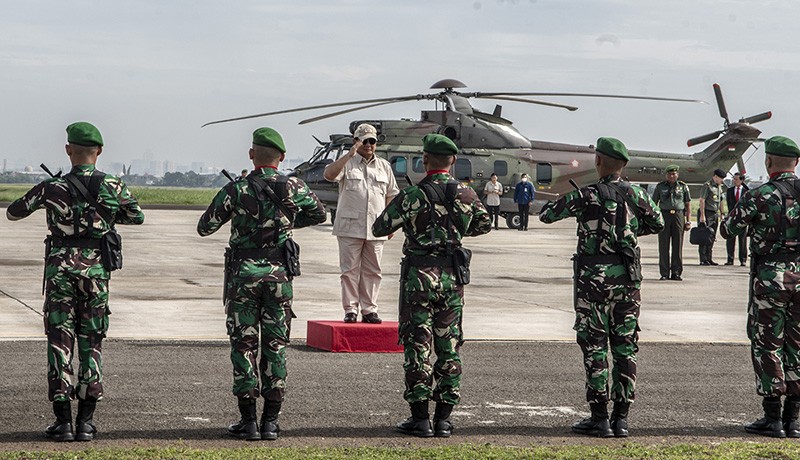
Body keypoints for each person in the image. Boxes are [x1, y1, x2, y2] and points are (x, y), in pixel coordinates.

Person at [6, 122, 144, 442]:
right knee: (91, 342)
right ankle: (86, 422)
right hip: (95, 274)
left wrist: (51, 200)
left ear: (68, 150)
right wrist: (105, 217)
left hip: (60, 272)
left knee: (59, 342)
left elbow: (14, 212)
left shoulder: (52, 186)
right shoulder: (112, 185)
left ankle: (63, 422)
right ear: (99, 152)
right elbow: (136, 216)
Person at [197, 127, 326, 441]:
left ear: (252, 154)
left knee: (244, 345)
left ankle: (248, 421)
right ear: (281, 157)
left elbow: (205, 226)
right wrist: (288, 221)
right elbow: (319, 214)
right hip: (279, 276)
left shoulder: (237, 188)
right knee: (276, 346)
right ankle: (270, 422)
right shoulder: (294, 186)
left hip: (244, 277)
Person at [539, 137, 664, 438]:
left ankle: (599, 418)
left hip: (593, 281)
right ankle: (621, 418)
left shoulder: (587, 195)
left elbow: (547, 215)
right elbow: (658, 223)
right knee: (625, 347)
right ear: (623, 165)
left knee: (595, 347)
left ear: (598, 161)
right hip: (627, 280)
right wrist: (630, 231)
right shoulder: (637, 195)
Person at [372, 133, 491, 438]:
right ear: (452, 161)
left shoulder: (412, 195)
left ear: (425, 160)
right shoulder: (466, 194)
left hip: (418, 279)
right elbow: (483, 224)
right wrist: (454, 232)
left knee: (417, 346)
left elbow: (381, 227)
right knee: (449, 346)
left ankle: (420, 418)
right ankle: (444, 419)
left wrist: (415, 228)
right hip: (452, 279)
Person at [720, 135, 800, 439]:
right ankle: (794, 417)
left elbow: (729, 229)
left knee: (768, 342)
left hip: (771, 277)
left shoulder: (760, 194)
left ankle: (772, 417)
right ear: (797, 162)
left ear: (768, 162)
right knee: (797, 343)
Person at [323, 123, 399, 324]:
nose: (369, 145)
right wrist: (349, 154)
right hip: (350, 227)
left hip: (376, 227)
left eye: (372, 141)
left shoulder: (384, 166)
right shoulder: (347, 163)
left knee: (373, 270)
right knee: (349, 271)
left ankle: (369, 309)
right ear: (356, 142)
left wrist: (389, 223)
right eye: (364, 141)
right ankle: (350, 309)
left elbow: (392, 194)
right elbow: (329, 175)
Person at [652, 165, 692, 280]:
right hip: (664, 215)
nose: (672, 176)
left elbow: (688, 204)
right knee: (663, 245)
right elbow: (654, 203)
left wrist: (688, 221)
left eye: (674, 174)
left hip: (678, 215)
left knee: (677, 245)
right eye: (669, 174)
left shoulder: (683, 187)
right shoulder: (660, 187)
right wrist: (655, 219)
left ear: (677, 175)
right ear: (666, 175)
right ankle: (664, 273)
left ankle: (676, 272)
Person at [697, 169, 727, 265]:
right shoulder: (707, 186)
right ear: (715, 176)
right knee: (704, 236)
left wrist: (722, 213)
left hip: (715, 214)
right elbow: (702, 200)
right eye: (721, 178)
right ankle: (703, 259)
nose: (722, 180)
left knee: (712, 237)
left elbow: (721, 200)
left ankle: (709, 258)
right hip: (707, 213)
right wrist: (702, 216)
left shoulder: (719, 187)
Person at [725, 172, 749, 266]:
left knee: (742, 240)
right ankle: (730, 259)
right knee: (730, 238)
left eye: (736, 179)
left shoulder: (746, 191)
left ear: (742, 180)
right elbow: (728, 203)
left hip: (742, 218)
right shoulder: (730, 190)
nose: (734, 181)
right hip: (732, 218)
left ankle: (743, 259)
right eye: (733, 179)